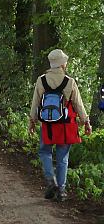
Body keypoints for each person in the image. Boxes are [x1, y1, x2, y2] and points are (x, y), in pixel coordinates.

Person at [29, 49, 92, 201]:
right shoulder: (69, 82)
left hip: (48, 126)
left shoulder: (41, 80)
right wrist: (86, 122)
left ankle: (51, 181)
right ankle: (61, 191)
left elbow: (35, 103)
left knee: (45, 152)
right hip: (65, 126)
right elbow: (78, 104)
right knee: (62, 157)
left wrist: (32, 121)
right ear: (63, 64)